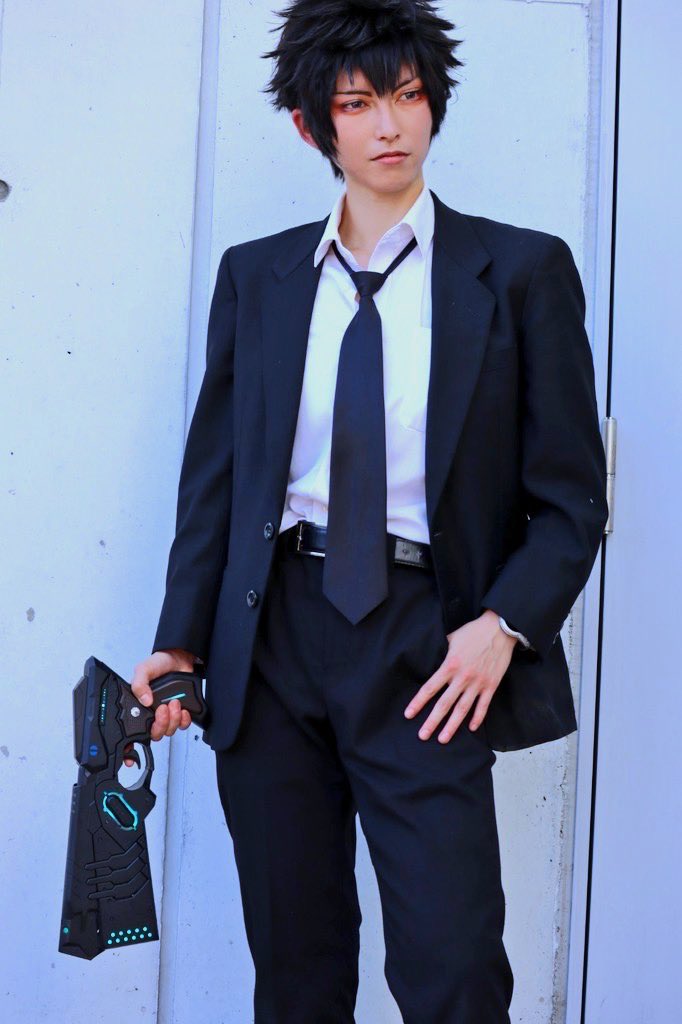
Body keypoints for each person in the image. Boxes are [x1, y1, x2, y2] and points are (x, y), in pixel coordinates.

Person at [128, 1, 609, 1020]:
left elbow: (572, 497)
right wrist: (181, 640)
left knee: (454, 967)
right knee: (295, 972)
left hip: (426, 646)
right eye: (356, 103)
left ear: (433, 105)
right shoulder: (257, 278)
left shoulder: (520, 273)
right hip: (271, 642)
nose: (388, 124)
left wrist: (504, 626)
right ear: (313, 124)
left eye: (407, 95)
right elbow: (215, 479)